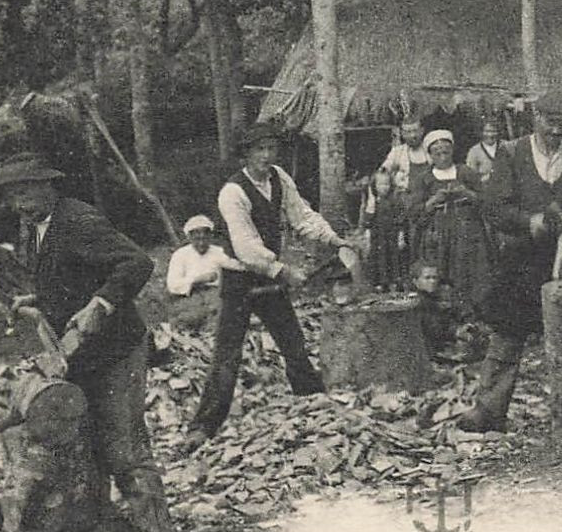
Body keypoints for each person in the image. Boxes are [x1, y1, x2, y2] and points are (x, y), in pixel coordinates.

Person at [0, 152, 174, 532]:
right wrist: (38, 301)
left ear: (48, 184)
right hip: (79, 355)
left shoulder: (78, 221)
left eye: (26, 190)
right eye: (13, 195)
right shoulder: (37, 228)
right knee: (87, 446)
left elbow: (136, 262)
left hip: (115, 350)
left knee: (124, 445)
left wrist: (103, 303)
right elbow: (73, 277)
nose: (20, 202)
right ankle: (108, 531)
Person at [184, 123, 357, 450]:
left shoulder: (279, 178)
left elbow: (301, 215)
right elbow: (247, 248)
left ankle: (314, 403)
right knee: (227, 353)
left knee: (292, 339)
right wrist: (283, 270)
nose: (266, 156)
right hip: (239, 276)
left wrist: (332, 238)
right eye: (259, 150)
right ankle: (203, 426)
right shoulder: (232, 193)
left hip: (269, 275)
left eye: (271, 149)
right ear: (246, 154)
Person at [457, 96, 562, 432]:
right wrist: (531, 222)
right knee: (508, 331)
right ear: (535, 117)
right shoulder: (512, 153)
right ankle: (489, 408)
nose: (556, 130)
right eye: (549, 122)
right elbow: (494, 208)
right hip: (521, 257)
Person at [406, 130, 492, 317]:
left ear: (453, 151)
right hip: (436, 236)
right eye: (437, 153)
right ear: (430, 155)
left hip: (467, 233)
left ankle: (470, 317)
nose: (442, 156)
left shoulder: (466, 173)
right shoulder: (424, 178)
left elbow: (486, 202)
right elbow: (413, 211)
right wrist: (433, 201)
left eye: (446, 152)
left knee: (468, 271)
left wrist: (467, 193)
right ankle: (441, 320)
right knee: (439, 274)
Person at [165, 215, 238, 297]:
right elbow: (172, 285)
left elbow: (236, 269)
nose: (201, 243)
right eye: (197, 239)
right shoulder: (180, 255)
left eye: (205, 238)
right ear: (189, 237)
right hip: (189, 298)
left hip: (216, 295)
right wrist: (197, 280)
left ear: (210, 236)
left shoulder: (219, 252)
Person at [361, 168, 409, 291]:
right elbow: (367, 221)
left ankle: (397, 282)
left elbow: (401, 218)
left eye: (387, 184)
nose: (384, 187)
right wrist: (367, 232)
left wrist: (401, 235)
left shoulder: (395, 200)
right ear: (374, 186)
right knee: (379, 257)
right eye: (381, 184)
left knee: (394, 257)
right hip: (378, 236)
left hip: (392, 234)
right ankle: (382, 283)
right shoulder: (372, 202)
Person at [410, 261, 458, 356]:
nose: (432, 281)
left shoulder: (442, 298)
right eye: (427, 278)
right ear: (415, 282)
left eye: (435, 277)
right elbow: (433, 329)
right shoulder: (415, 303)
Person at [379, 118, 430, 197]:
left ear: (422, 131)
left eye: (415, 130)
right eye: (408, 132)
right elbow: (383, 172)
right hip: (405, 198)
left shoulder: (430, 149)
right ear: (402, 134)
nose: (413, 135)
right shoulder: (397, 152)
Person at [464, 119, 505, 184]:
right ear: (481, 132)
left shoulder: (506, 146)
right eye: (487, 131)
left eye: (494, 131)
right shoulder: (474, 151)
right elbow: (470, 177)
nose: (490, 135)